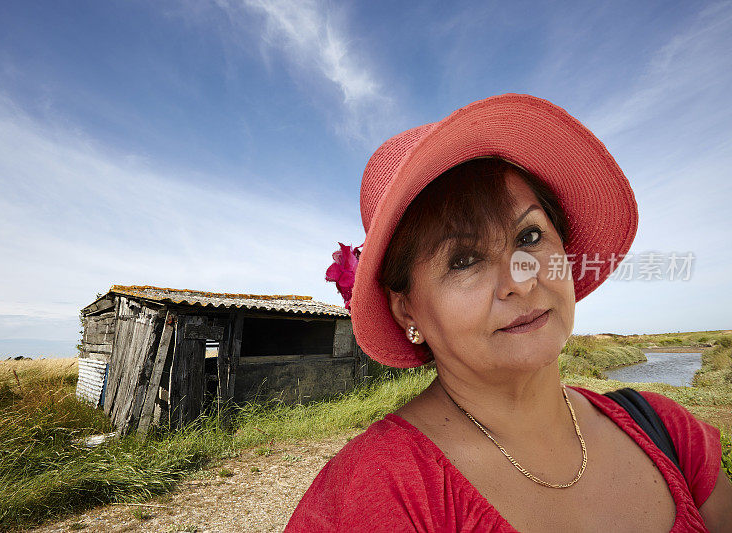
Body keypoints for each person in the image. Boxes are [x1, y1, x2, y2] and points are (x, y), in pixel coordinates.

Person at [285, 94, 732, 532]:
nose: (520, 279)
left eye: (531, 237)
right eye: (463, 260)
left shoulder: (668, 430)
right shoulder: (374, 495)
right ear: (406, 310)